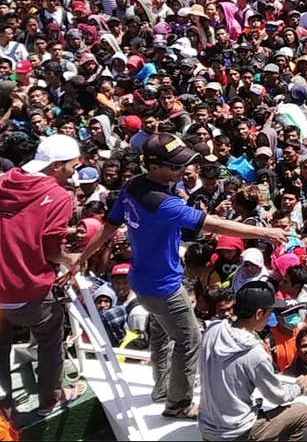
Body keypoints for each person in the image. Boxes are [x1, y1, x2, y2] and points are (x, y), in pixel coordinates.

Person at [80, 134, 290, 420]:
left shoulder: (131, 188)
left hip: (139, 281)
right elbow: (213, 223)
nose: (181, 171)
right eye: (175, 167)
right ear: (153, 166)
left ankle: (162, 389)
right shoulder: (163, 204)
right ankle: (178, 404)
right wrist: (266, 232)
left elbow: (109, 226)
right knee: (189, 340)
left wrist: (81, 257)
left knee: (160, 332)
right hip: (164, 287)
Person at [0, 135, 87, 417]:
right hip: (23, 288)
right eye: (73, 166)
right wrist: (70, 259)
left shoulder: (4, 180)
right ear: (57, 166)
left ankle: (5, 404)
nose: (74, 171)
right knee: (51, 334)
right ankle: (50, 400)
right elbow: (51, 250)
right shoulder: (60, 197)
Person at [198, 281, 307, 441]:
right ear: (259, 314)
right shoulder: (254, 352)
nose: (270, 318)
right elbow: (278, 396)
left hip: (208, 431)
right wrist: (300, 387)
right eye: (269, 313)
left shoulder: (213, 329)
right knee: (302, 412)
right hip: (238, 434)